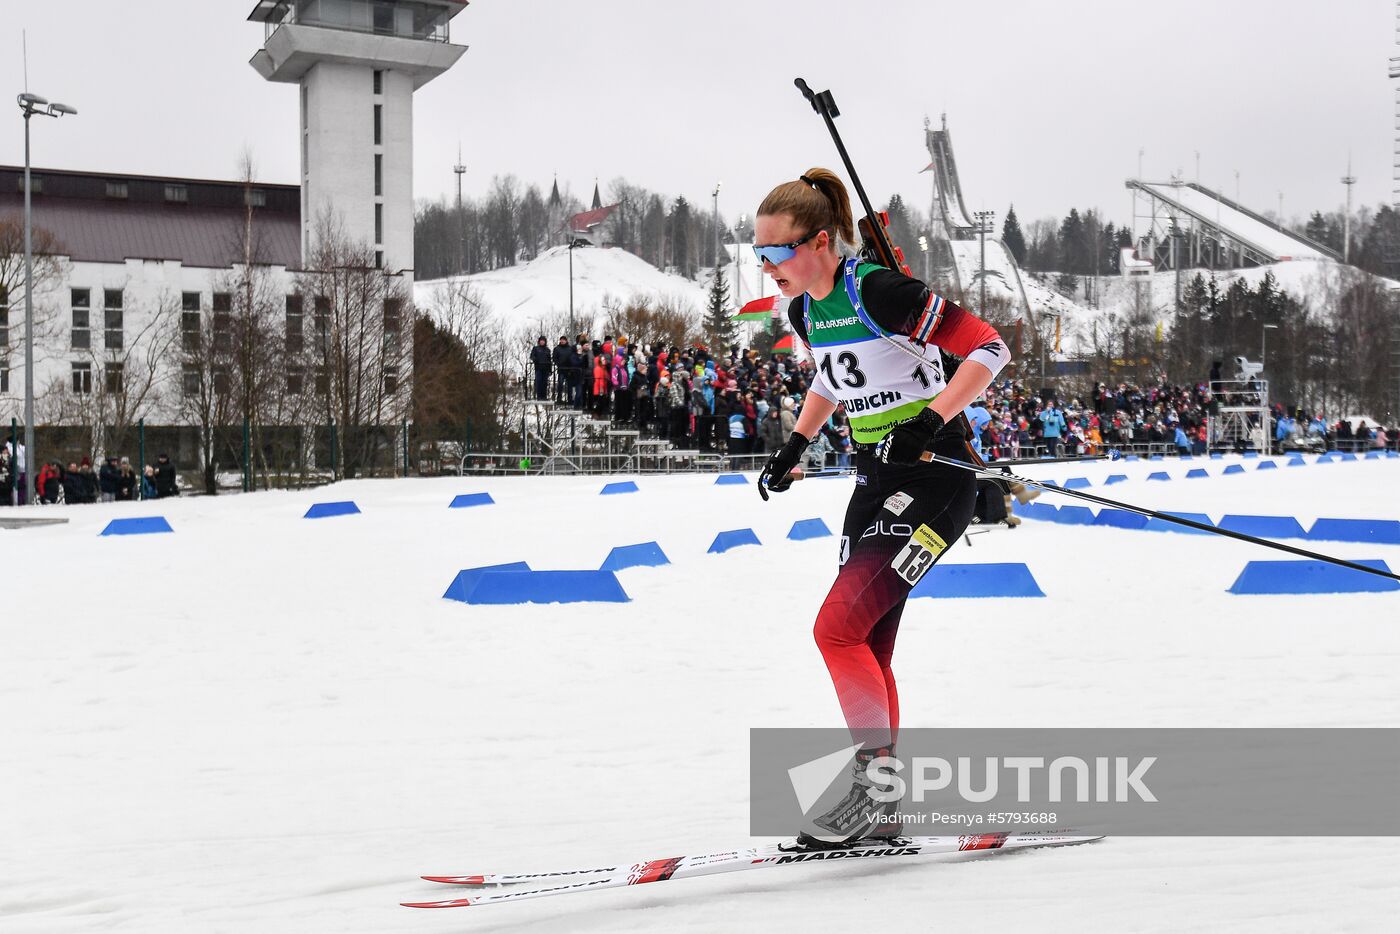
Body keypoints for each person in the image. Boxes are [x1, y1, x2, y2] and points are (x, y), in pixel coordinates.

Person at [751, 168, 1009, 849]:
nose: (767, 266)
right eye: (759, 254)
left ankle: (871, 792)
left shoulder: (879, 290)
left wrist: (933, 416)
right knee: (864, 641)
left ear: (822, 241)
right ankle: (885, 803)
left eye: (776, 252)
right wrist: (796, 443)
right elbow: (832, 377)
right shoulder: (806, 310)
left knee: (835, 630)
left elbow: (990, 347)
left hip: (934, 476)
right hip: (872, 480)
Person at [529, 336, 552, 401]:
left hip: (546, 368)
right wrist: (536, 360)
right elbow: (532, 356)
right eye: (541, 340)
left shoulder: (547, 350)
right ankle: (539, 396)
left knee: (545, 383)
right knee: (539, 382)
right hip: (538, 368)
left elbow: (549, 360)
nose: (542, 342)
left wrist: (550, 370)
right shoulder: (536, 348)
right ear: (539, 341)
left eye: (543, 340)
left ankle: (544, 396)